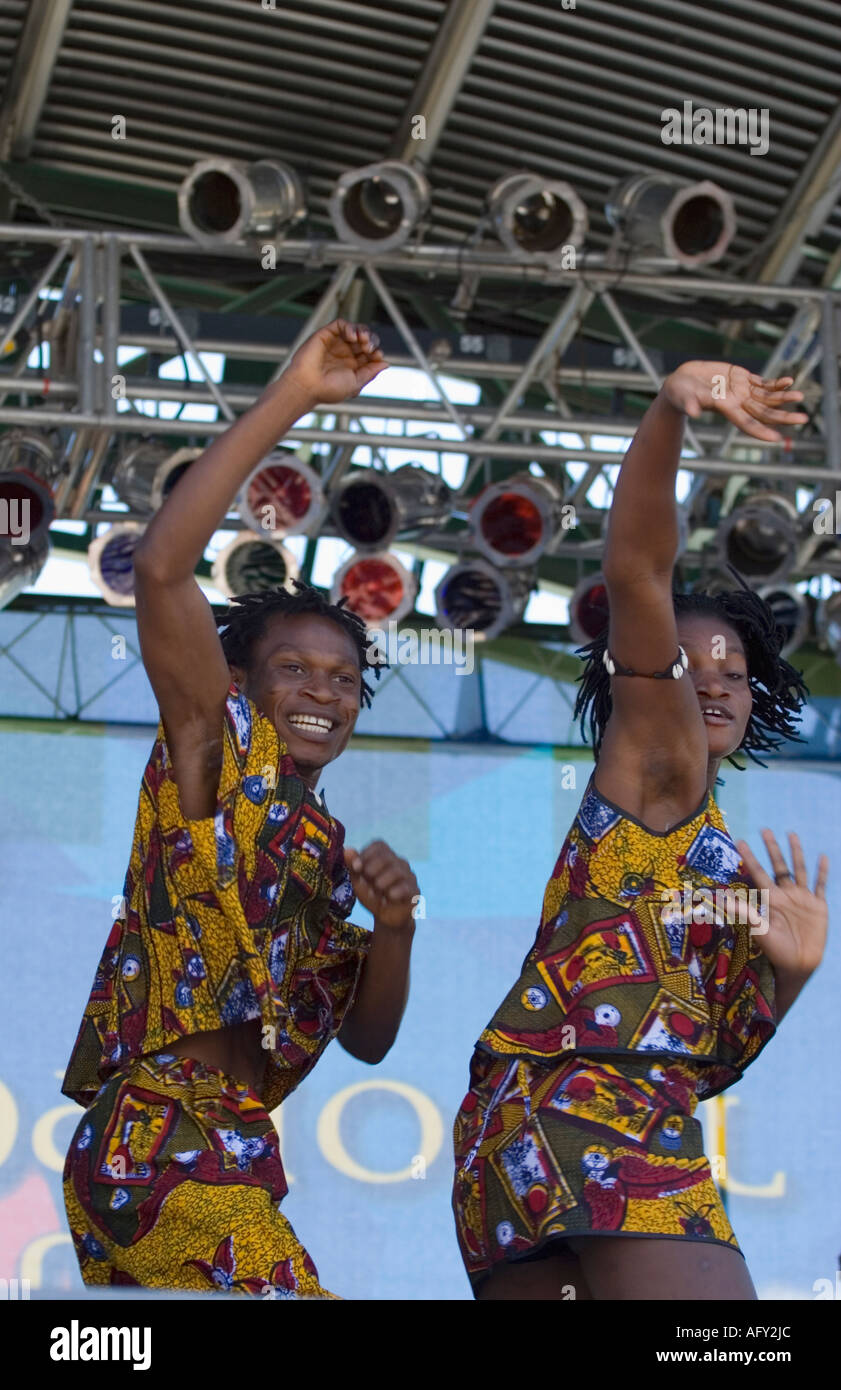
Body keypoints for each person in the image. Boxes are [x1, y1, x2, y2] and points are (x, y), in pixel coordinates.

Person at [452, 363, 830, 1301]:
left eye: (733, 672)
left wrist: (786, 978)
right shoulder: (657, 764)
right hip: (595, 1117)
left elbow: (700, 1067)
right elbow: (635, 568)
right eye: (688, 661)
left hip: (518, 1141)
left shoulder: (714, 858)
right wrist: (669, 406)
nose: (710, 681)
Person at [61, 319, 421, 1299]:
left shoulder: (323, 845)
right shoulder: (211, 756)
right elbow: (168, 568)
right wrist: (292, 395)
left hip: (224, 1145)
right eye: (293, 667)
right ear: (235, 681)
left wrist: (395, 929)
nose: (323, 689)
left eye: (345, 676)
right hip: (160, 1137)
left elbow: (368, 1037)